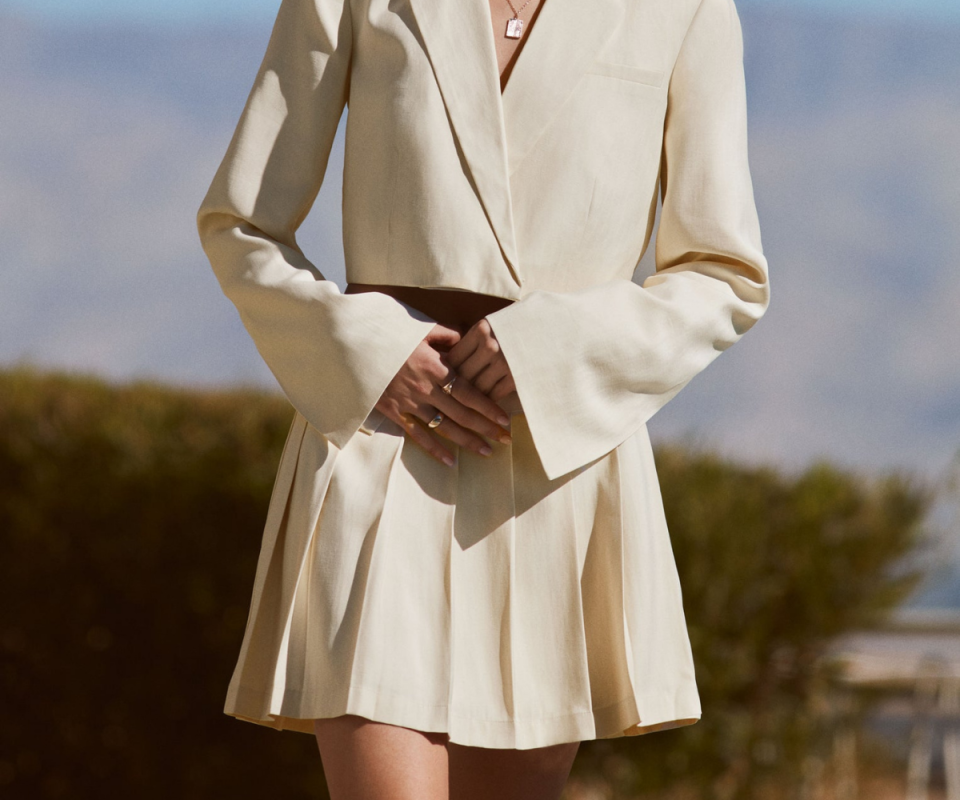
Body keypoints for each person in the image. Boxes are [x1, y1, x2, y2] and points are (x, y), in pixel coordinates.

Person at [196, 0, 770, 796]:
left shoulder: (687, 8)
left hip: (557, 464)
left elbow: (723, 273)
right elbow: (241, 224)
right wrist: (371, 347)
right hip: (383, 445)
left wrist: (551, 348)